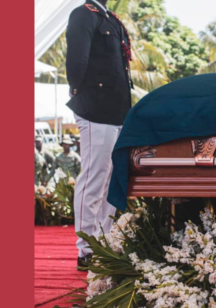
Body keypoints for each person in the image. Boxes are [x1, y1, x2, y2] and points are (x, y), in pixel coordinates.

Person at [66, 0, 133, 267]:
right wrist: (80, 92)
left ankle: (105, 243)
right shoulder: (83, 14)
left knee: (111, 180)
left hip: (116, 110)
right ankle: (87, 248)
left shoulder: (111, 19)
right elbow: (76, 62)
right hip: (95, 107)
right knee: (94, 176)